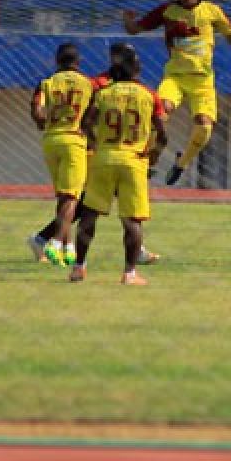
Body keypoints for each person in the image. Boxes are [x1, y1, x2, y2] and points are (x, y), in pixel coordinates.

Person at [27, 41, 161, 266]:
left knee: (83, 199)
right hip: (91, 148)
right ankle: (51, 240)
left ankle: (48, 239)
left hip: (95, 148)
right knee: (84, 200)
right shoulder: (97, 83)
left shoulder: (105, 82)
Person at [122, 0, 231, 186]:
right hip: (175, 79)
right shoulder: (167, 12)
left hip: (202, 82)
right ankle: (150, 159)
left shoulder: (212, 11)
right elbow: (136, 28)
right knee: (159, 114)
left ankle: (182, 163)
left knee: (204, 128)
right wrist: (128, 21)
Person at [71, 47, 167, 285]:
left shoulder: (103, 93)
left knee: (89, 216)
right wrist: (152, 154)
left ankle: (78, 268)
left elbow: (85, 124)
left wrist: (96, 145)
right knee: (132, 221)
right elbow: (163, 135)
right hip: (133, 161)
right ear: (137, 70)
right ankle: (129, 273)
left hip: (103, 158)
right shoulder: (149, 94)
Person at [30, 43, 94, 267]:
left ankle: (68, 248)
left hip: (51, 140)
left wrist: (42, 122)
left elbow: (36, 109)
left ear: (57, 60)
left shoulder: (47, 83)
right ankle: (56, 243)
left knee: (64, 196)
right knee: (73, 197)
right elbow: (93, 113)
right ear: (78, 62)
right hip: (74, 140)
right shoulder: (88, 84)